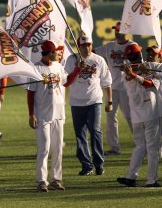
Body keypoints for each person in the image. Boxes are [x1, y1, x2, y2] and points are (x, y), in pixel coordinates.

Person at [27, 40, 81, 192]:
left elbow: (66, 82)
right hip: (42, 114)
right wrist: (31, 114)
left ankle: (56, 179)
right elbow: (30, 94)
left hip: (58, 114)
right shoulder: (35, 69)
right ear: (49, 52)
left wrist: (77, 70)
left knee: (58, 148)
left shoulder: (58, 66)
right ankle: (41, 181)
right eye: (55, 51)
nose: (58, 53)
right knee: (44, 148)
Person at [64, 35, 112, 176]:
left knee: (95, 130)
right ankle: (86, 165)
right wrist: (77, 68)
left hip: (94, 100)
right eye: (84, 46)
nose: (87, 48)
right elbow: (66, 81)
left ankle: (99, 163)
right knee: (80, 134)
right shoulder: (72, 60)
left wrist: (109, 101)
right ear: (78, 46)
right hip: (76, 102)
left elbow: (106, 81)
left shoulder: (98, 60)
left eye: (89, 45)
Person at [117, 44, 160, 188]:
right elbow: (149, 84)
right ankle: (151, 180)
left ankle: (131, 177)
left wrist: (137, 72)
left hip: (137, 115)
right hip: (149, 113)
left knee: (140, 146)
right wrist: (137, 73)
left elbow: (152, 82)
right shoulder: (130, 72)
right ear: (139, 54)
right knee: (152, 148)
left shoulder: (145, 68)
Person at [94, 22, 136, 155]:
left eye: (119, 30)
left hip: (127, 87)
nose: (116, 32)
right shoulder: (110, 46)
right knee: (110, 118)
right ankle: (114, 148)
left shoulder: (133, 46)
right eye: (115, 30)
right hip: (112, 88)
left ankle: (141, 143)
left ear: (126, 31)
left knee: (130, 116)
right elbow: (93, 52)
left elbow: (138, 64)